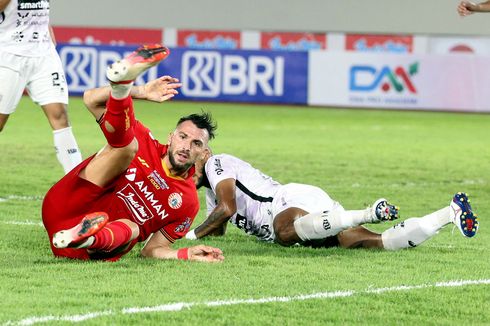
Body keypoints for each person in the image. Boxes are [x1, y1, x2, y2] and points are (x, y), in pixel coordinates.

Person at [42, 44, 224, 262]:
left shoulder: (188, 202)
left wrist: (186, 254)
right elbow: (91, 98)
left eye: (196, 143)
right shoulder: (144, 141)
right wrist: (142, 92)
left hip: (87, 249)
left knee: (132, 228)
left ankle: (85, 238)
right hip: (66, 205)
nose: (186, 147)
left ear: (203, 153)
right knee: (128, 147)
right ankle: (123, 87)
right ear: (171, 137)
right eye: (183, 137)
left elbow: (152, 250)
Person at [186, 152, 479, 250]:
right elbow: (221, 221)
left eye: (192, 164)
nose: (189, 170)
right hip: (312, 217)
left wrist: (188, 235)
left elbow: (228, 209)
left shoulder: (215, 163)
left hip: (287, 202)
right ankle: (449, 213)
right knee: (379, 243)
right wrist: (206, 228)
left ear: (206, 152)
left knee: (284, 233)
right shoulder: (212, 190)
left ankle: (367, 212)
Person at [0, 0, 82, 173]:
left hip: (44, 56)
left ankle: (77, 184)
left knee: (60, 116)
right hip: (9, 56)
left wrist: (49, 36)